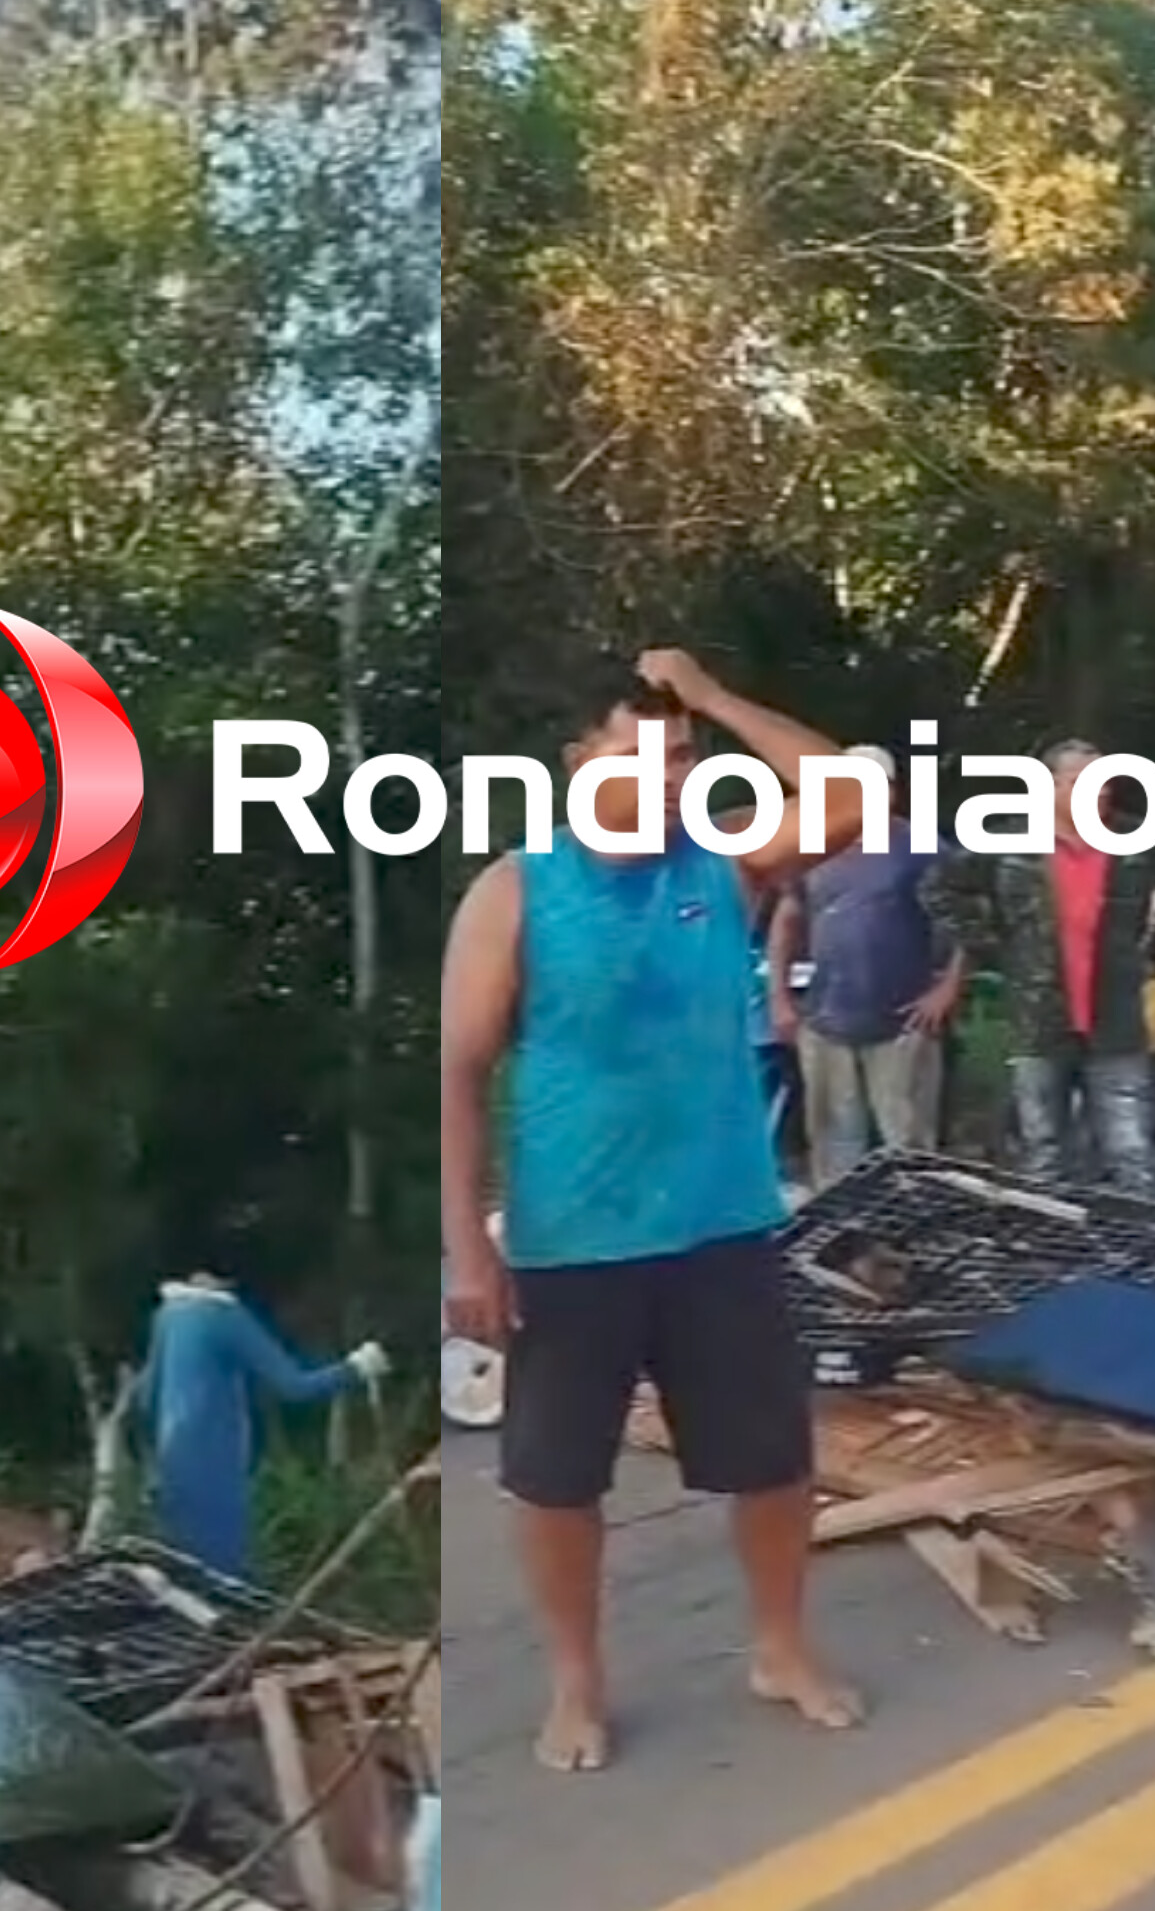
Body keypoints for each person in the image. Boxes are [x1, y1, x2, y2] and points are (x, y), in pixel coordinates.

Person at [440, 650, 870, 1774]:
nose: (676, 772)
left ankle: (779, 1648)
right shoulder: (515, 892)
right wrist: (466, 1251)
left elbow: (842, 793)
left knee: (771, 1459)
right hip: (574, 1236)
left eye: (685, 754)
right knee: (556, 1475)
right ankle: (577, 1683)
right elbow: (458, 1075)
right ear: (579, 758)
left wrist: (717, 693)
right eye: (648, 750)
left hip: (720, 1223)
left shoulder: (720, 865)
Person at [923, 741, 1155, 1196]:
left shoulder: (1138, 838)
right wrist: (994, 947)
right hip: (1037, 1014)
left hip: (1114, 1014)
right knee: (1042, 1152)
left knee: (1129, 1153)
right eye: (1079, 780)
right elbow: (941, 889)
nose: (1095, 791)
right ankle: (1052, 1257)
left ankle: (1135, 1259)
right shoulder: (1008, 839)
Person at [767, 744, 962, 1185]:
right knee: (834, 1143)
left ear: (890, 792)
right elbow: (788, 918)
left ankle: (912, 1243)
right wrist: (779, 997)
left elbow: (971, 921)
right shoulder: (811, 845)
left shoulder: (923, 848)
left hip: (903, 1022)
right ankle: (839, 1246)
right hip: (825, 1019)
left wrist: (948, 987)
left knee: (910, 1146)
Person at [140, 1271, 389, 1580]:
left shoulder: (168, 1315)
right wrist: (358, 1367)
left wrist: (150, 1453)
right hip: (216, 1457)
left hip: (172, 1455)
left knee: (180, 1565)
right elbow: (294, 1386)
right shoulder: (225, 1317)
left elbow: (146, 1396)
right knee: (220, 1567)